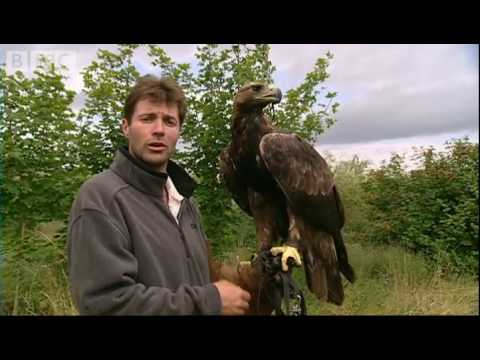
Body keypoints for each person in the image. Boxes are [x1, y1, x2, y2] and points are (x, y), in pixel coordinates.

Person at [67, 75, 252, 315]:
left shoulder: (184, 200)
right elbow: (106, 303)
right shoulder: (101, 198)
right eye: (147, 119)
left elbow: (191, 278)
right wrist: (208, 302)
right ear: (126, 127)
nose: (158, 130)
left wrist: (250, 280)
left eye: (169, 121)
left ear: (179, 131)